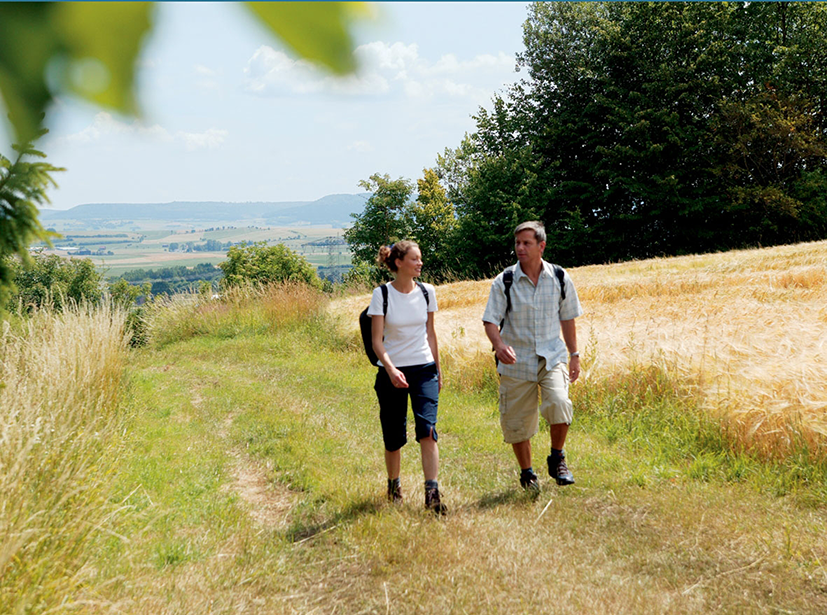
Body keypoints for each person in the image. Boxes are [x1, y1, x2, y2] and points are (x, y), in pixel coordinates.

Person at [482, 221, 584, 492]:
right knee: (517, 423)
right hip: (516, 361)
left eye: (526, 243)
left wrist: (574, 354)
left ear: (541, 246)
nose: (520, 248)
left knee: (560, 403)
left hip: (552, 356)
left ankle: (557, 457)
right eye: (517, 243)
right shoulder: (505, 281)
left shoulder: (560, 277)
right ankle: (527, 474)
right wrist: (499, 345)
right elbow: (490, 321)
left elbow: (568, 318)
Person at [369, 240, 445, 514]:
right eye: (415, 259)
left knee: (428, 430)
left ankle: (432, 492)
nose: (420, 263)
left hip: (423, 368)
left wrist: (438, 369)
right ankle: (394, 486)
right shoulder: (382, 295)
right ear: (399, 262)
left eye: (420, 258)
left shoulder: (427, 292)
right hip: (391, 370)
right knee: (393, 435)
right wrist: (391, 369)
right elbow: (377, 341)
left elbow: (431, 334)